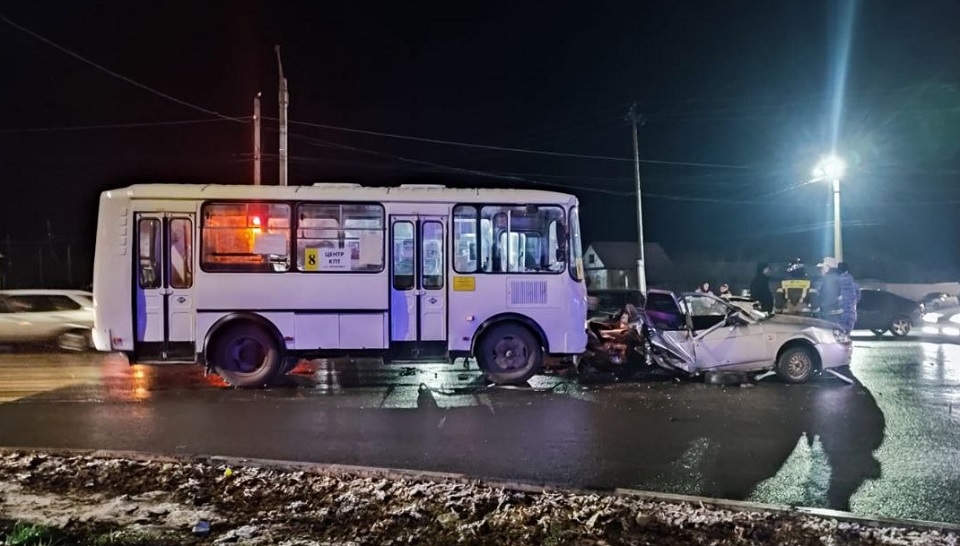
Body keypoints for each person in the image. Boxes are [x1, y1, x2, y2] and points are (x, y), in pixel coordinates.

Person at [837, 262, 860, 334]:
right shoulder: (852, 280)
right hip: (851, 309)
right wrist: (854, 302)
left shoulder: (837, 280)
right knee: (848, 329)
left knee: (840, 329)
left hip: (840, 308)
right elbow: (858, 293)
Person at [818, 256, 842, 324]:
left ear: (827, 268)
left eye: (822, 267)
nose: (821, 270)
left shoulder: (828, 279)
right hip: (837, 314)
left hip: (829, 315)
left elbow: (828, 299)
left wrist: (822, 313)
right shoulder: (838, 277)